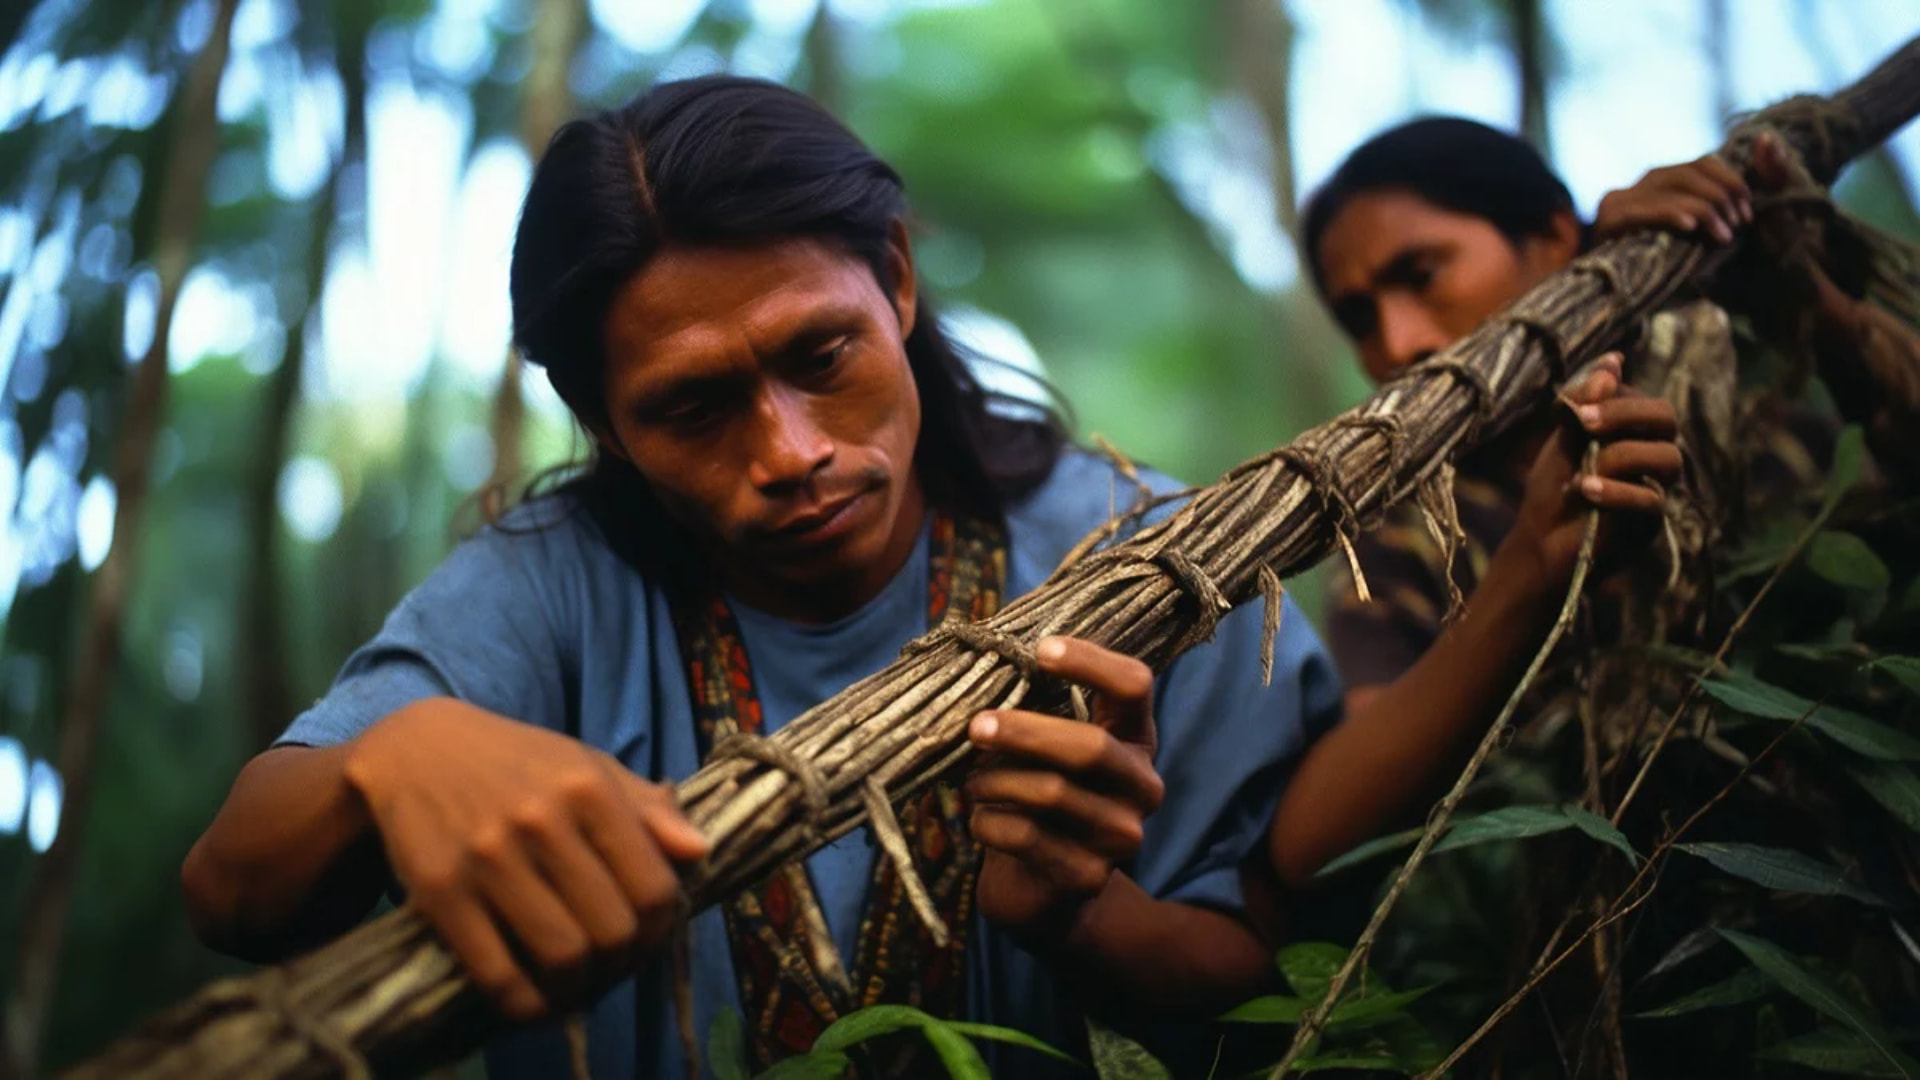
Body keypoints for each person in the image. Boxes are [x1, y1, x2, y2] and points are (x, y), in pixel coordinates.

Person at [181, 75, 1342, 1078]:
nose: (789, 454)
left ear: (893, 279)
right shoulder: (551, 592)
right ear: (603, 421)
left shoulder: (1154, 555)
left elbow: (1275, 973)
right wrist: (392, 757)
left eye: (818, 355)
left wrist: (1083, 917)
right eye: (692, 407)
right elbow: (235, 886)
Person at [1265, 115, 1915, 888]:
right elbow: (1311, 841)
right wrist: (1528, 574)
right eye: (1359, 319)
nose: (1398, 345)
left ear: (1549, 239)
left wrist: (1799, 294)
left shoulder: (1741, 391)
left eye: (1421, 273)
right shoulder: (1409, 537)